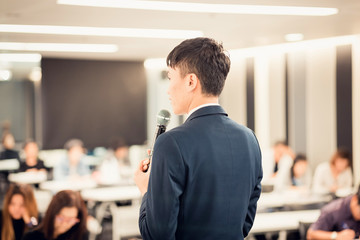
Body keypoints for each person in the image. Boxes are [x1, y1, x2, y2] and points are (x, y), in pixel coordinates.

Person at [134, 37, 262, 240]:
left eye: (170, 78)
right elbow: (245, 222)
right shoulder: (250, 139)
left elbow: (157, 233)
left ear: (191, 81)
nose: (168, 89)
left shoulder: (170, 142)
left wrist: (147, 190)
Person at [22, 190, 88, 240]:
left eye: (70, 220)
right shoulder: (32, 237)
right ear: (52, 214)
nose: (64, 224)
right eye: (61, 218)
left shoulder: (80, 234)